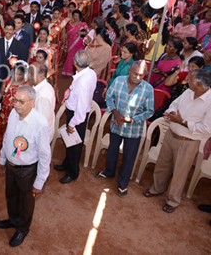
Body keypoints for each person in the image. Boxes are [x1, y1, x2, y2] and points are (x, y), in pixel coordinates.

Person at [143, 70, 211, 213]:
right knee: (163, 164)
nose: (187, 80)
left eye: (191, 79)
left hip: (188, 142)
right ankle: (156, 188)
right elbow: (174, 104)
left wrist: (183, 122)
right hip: (171, 134)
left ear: (198, 84)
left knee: (180, 173)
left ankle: (172, 201)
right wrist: (172, 113)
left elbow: (207, 128)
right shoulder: (188, 92)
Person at [0, 85, 51, 247]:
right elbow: (7, 137)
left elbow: (44, 155)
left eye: (21, 101)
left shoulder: (40, 123)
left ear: (33, 102)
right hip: (11, 166)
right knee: (11, 195)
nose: (16, 104)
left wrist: (40, 181)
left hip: (27, 170)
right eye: (15, 100)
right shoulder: (14, 113)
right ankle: (13, 220)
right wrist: (2, 159)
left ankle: (22, 229)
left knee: (26, 202)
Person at [95, 61, 154, 197]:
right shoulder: (118, 81)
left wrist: (132, 119)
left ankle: (123, 183)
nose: (137, 77)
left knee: (129, 157)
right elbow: (109, 98)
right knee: (112, 150)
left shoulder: (148, 89)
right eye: (135, 73)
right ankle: (109, 172)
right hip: (116, 124)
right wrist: (115, 113)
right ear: (129, 71)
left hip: (133, 129)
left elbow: (149, 111)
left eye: (141, 75)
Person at [55, 50, 97, 183]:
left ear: (75, 63)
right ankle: (67, 164)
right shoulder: (90, 73)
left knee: (74, 146)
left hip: (78, 117)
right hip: (76, 113)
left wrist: (72, 124)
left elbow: (82, 107)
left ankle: (73, 173)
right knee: (70, 143)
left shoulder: (83, 82)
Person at [0, 62, 29, 170]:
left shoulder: (26, 85)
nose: (17, 77)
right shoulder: (7, 80)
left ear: (24, 74)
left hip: (16, 115)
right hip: (4, 113)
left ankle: (10, 159)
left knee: (10, 137)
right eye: (16, 74)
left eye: (20, 75)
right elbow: (1, 93)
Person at [28, 62, 56, 140]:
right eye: (28, 72)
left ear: (42, 74)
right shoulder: (42, 86)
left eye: (31, 73)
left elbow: (40, 124)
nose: (28, 76)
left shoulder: (42, 96)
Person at [62, 9, 89, 77]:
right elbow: (65, 33)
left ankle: (77, 71)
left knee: (78, 57)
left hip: (79, 43)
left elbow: (88, 33)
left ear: (80, 17)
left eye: (77, 16)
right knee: (70, 57)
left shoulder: (83, 24)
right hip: (70, 43)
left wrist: (82, 33)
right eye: (74, 15)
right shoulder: (69, 24)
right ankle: (68, 72)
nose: (75, 17)